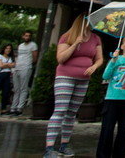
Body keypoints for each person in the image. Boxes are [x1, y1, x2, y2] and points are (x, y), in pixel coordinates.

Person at [45, 14, 103, 158]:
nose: (94, 23)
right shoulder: (68, 36)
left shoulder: (95, 38)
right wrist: (76, 43)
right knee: (60, 110)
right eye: (92, 20)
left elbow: (100, 58)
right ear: (83, 22)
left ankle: (64, 144)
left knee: (71, 112)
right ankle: (49, 148)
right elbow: (61, 58)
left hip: (83, 79)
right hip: (66, 76)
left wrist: (95, 66)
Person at [12, 30, 38, 117]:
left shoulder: (33, 45)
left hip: (26, 67)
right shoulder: (20, 46)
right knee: (16, 88)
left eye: (29, 36)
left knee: (23, 88)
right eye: (26, 35)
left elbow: (34, 57)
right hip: (18, 67)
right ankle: (13, 107)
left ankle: (20, 107)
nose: (27, 37)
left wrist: (30, 64)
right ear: (23, 36)